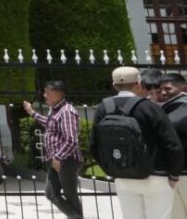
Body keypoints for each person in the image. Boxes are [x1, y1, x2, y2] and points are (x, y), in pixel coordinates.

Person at [90, 66, 183, 219]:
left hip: (124, 177)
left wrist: (113, 171)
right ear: (138, 83)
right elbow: (172, 144)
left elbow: (94, 146)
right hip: (156, 176)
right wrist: (174, 175)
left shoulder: (103, 109)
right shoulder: (149, 107)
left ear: (114, 86)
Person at [22, 80, 83, 219]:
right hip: (56, 160)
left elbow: (71, 140)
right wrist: (31, 112)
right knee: (51, 193)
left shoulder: (67, 111)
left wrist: (59, 157)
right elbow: (49, 124)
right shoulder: (56, 110)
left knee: (70, 195)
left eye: (47, 93)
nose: (44, 95)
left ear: (57, 95)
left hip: (66, 160)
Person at [160, 73, 187, 219]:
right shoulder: (167, 108)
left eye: (168, 89)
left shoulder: (182, 109)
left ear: (183, 88)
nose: (163, 92)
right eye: (161, 89)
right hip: (174, 174)